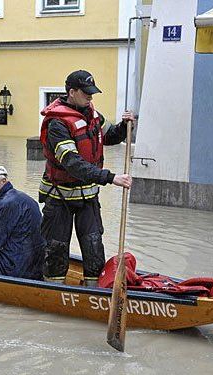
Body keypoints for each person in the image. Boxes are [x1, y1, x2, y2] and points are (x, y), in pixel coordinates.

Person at [39, 69, 135, 286]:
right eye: (86, 93)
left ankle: (94, 294)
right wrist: (111, 177)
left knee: (93, 248)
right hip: (59, 198)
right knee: (56, 249)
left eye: (92, 93)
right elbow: (72, 163)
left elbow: (110, 137)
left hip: (87, 200)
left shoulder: (92, 114)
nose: (91, 97)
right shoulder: (58, 124)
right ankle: (53, 291)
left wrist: (124, 126)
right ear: (72, 92)